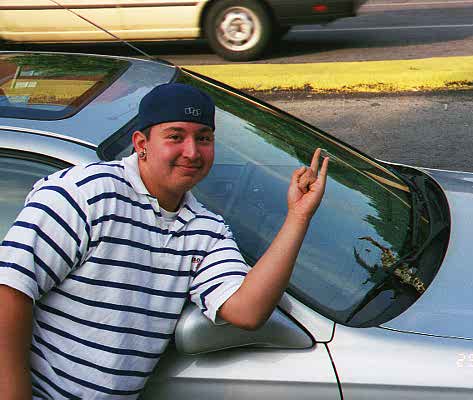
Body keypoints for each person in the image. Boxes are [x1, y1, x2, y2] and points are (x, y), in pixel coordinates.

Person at [0, 83, 329, 399]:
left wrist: (297, 217)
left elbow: (247, 311)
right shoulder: (84, 194)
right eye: (175, 136)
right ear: (141, 143)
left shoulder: (205, 231)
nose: (192, 152)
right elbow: (9, 289)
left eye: (204, 138)